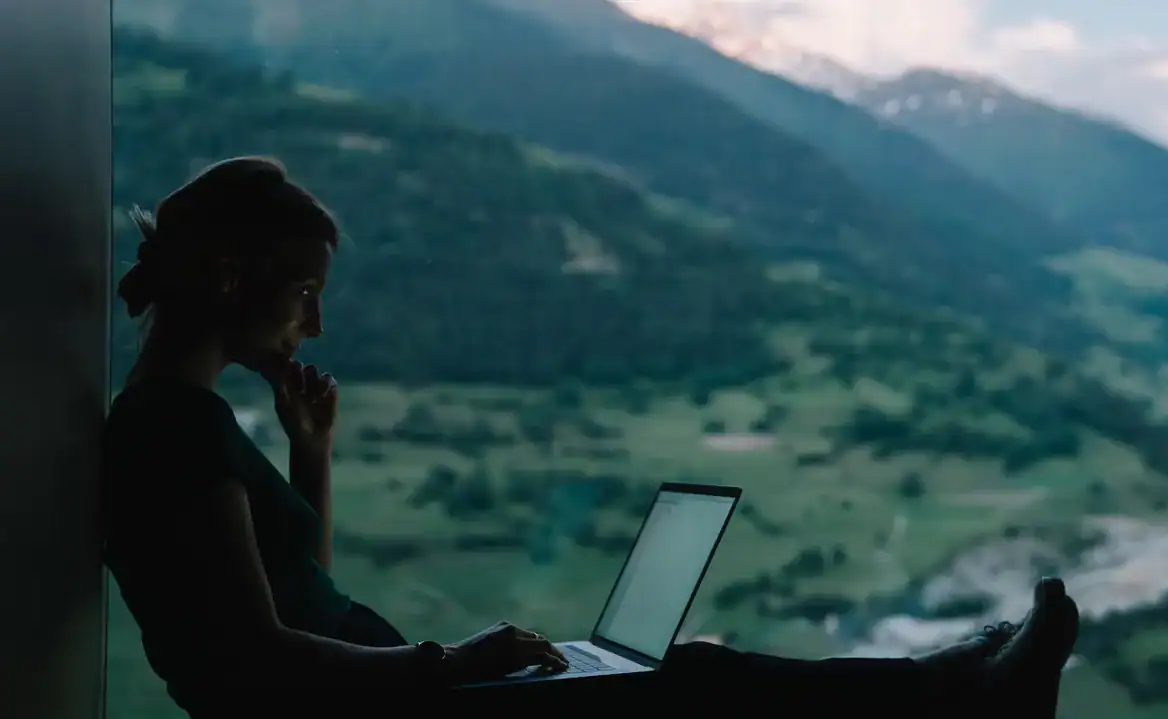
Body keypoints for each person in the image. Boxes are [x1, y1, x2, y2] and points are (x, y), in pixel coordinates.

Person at [103, 156, 1081, 718]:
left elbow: (298, 592)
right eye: (304, 292)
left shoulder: (182, 422)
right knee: (694, 677)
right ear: (230, 275)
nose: (312, 324)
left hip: (390, 694)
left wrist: (309, 449)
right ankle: (962, 690)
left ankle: (959, 681)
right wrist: (444, 665)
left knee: (679, 667)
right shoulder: (171, 430)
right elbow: (248, 659)